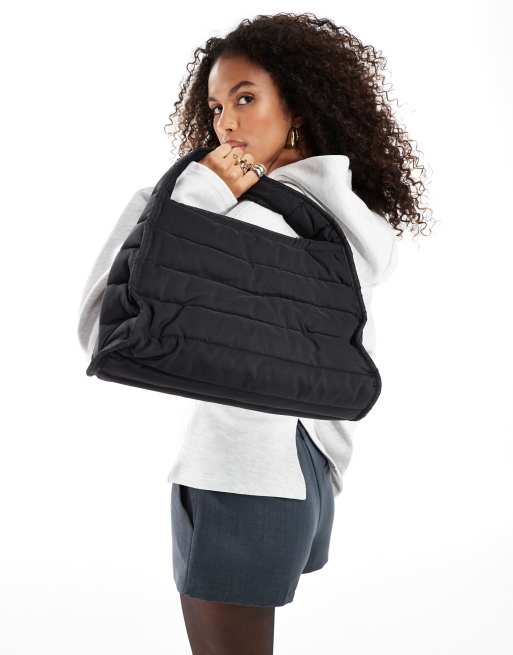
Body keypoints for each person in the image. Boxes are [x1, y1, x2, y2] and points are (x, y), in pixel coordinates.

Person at [78, 12, 432, 655]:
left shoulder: (247, 216)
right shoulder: (347, 220)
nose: (226, 125)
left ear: (296, 106)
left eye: (245, 99)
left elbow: (103, 326)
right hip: (308, 470)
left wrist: (198, 185)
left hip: (238, 474)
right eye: (217, 107)